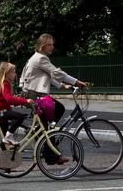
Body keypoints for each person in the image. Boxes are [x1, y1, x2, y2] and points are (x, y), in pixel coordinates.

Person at [19, 33, 88, 165]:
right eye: (49, 45)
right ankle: (48, 150)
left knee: (48, 125)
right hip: (35, 96)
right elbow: (56, 72)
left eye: (52, 44)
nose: (52, 47)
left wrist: (63, 85)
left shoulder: (37, 57)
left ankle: (49, 152)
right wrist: (76, 82)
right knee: (56, 114)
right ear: (43, 45)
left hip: (32, 94)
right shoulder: (41, 58)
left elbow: (46, 75)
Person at [0, 62, 34, 145]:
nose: (15, 74)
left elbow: (7, 98)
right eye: (13, 72)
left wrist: (20, 100)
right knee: (19, 117)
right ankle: (9, 137)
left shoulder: (3, 82)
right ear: (7, 73)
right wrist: (25, 101)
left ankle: (4, 152)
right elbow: (9, 99)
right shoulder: (4, 83)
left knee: (4, 140)